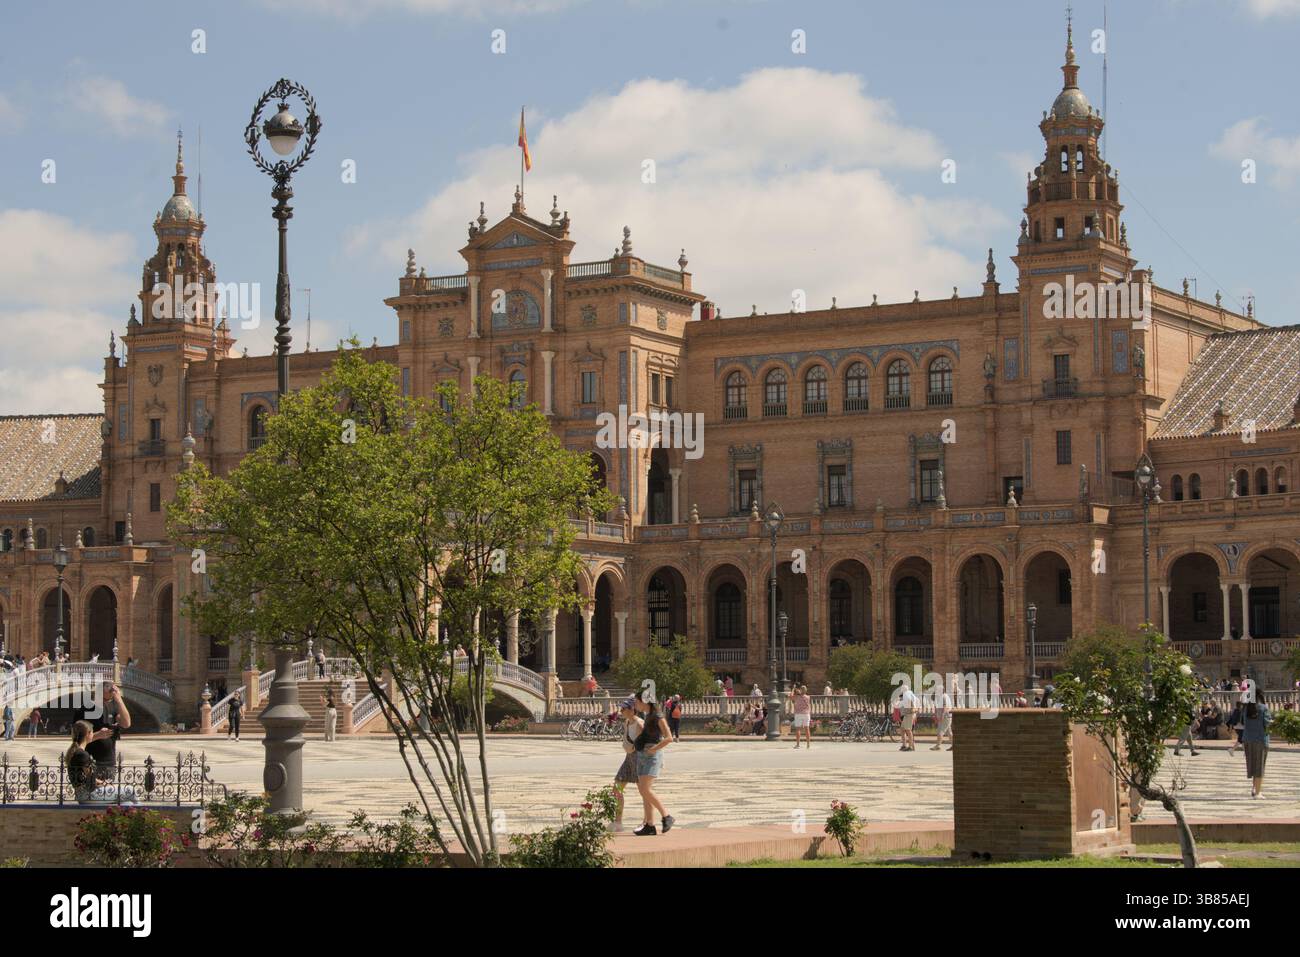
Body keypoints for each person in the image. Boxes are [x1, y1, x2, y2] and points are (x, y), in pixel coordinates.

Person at [631, 691, 674, 836]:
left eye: (637, 701)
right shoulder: (647, 715)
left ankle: (666, 816)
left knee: (646, 790)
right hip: (643, 754)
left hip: (652, 755)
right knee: (644, 792)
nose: (635, 704)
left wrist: (654, 749)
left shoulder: (657, 716)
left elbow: (669, 738)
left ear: (645, 701)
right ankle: (649, 825)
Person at [66, 720, 136, 805]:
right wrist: (106, 784)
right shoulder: (82, 754)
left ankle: (133, 816)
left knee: (127, 803)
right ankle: (144, 814)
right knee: (130, 790)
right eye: (92, 732)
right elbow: (90, 779)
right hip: (89, 795)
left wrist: (105, 783)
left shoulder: (75, 752)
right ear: (88, 734)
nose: (93, 734)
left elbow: (87, 777)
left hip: (83, 795)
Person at [82, 682, 131, 777]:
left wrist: (119, 700)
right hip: (89, 762)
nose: (112, 690)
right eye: (108, 687)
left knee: (107, 791)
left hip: (109, 763)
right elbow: (77, 740)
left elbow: (126, 723)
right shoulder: (85, 709)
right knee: (89, 790)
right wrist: (97, 735)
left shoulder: (113, 708)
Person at [610, 697, 644, 832]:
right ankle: (618, 822)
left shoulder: (640, 724)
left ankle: (647, 821)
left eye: (623, 709)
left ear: (631, 709)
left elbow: (645, 745)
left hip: (639, 759)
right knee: (617, 788)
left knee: (645, 792)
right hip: (629, 757)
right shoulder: (627, 722)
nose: (621, 711)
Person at [1241, 697, 1272, 798]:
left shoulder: (1246, 709)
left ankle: (1254, 788)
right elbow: (1267, 724)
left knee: (1253, 764)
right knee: (1259, 766)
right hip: (1260, 739)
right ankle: (1258, 792)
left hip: (1247, 739)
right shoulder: (1263, 708)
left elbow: (1243, 723)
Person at [788, 684, 812, 749]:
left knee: (798, 729)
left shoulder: (797, 697)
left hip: (798, 714)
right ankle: (808, 744)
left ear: (801, 690)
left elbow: (790, 696)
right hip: (806, 714)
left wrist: (793, 689)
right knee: (807, 729)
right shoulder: (808, 697)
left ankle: (798, 744)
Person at [897, 681, 918, 751]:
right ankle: (904, 745)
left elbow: (910, 701)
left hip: (909, 714)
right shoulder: (908, 693)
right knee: (902, 729)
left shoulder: (907, 694)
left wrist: (913, 708)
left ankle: (911, 746)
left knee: (908, 730)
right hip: (907, 714)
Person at [932, 684, 954, 751]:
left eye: (937, 690)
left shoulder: (944, 696)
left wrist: (942, 716)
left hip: (945, 717)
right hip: (946, 717)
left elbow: (945, 707)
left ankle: (937, 746)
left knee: (940, 731)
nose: (936, 691)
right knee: (949, 733)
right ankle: (954, 745)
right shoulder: (942, 696)